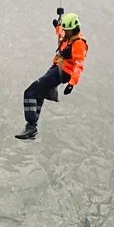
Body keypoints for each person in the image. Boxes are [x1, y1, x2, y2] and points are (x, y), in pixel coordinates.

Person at [14, 9, 88, 140]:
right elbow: (60, 34)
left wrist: (72, 84)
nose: (65, 32)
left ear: (74, 29)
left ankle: (31, 126)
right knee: (40, 93)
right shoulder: (68, 37)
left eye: (67, 30)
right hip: (57, 69)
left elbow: (79, 65)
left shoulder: (78, 44)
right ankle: (32, 126)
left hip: (62, 72)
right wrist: (57, 26)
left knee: (30, 92)